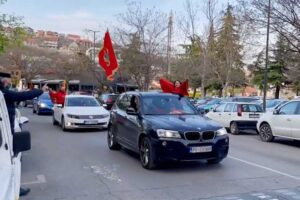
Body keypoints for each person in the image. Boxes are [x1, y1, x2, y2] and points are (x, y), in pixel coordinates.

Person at [0, 72, 47, 197]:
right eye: (8, 81)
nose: (9, 83)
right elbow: (23, 95)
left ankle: (14, 186)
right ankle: (14, 187)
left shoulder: (4, 93)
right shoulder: (4, 93)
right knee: (11, 164)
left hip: (5, 132)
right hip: (4, 138)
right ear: (4, 81)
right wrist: (40, 91)